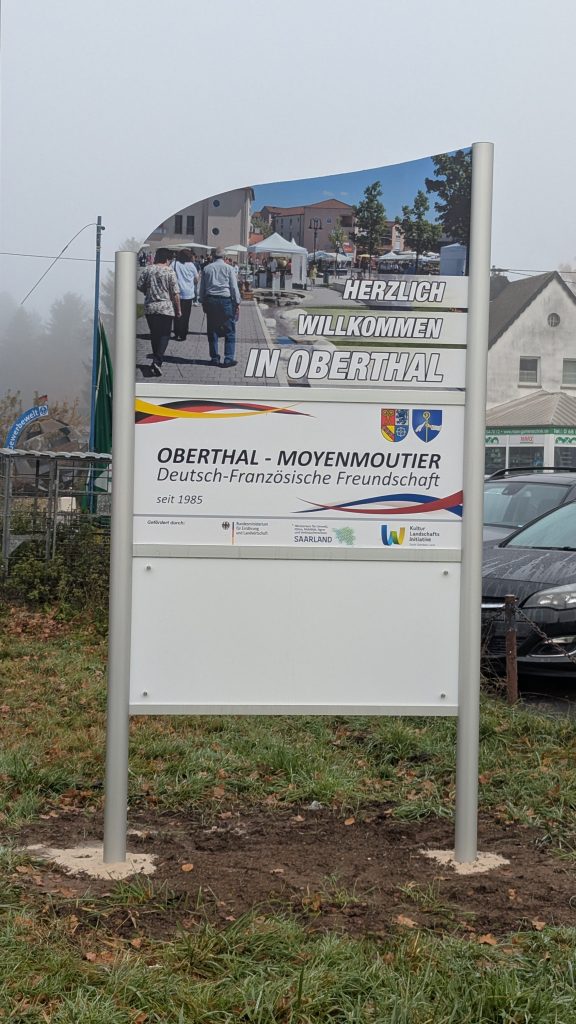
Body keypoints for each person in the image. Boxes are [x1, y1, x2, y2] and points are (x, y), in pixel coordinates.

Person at [137, 248, 181, 376]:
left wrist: (147, 291)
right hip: (165, 307)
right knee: (165, 335)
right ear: (167, 259)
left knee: (155, 335)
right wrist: (178, 310)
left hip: (150, 307)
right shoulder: (169, 271)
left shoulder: (148, 269)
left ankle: (156, 360)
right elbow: (175, 293)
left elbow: (139, 285)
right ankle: (157, 360)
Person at [198, 247, 241, 368]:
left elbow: (202, 288)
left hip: (211, 300)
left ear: (212, 256)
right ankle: (228, 358)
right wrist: (237, 302)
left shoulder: (206, 268)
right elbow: (233, 287)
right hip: (225, 300)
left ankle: (214, 357)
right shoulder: (229, 268)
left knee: (212, 330)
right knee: (230, 330)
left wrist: (202, 301)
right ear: (224, 257)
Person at [172, 250, 199, 340]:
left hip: (177, 292)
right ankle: (183, 333)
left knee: (176, 314)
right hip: (188, 293)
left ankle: (176, 332)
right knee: (186, 315)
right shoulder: (192, 265)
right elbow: (196, 279)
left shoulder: (175, 264)